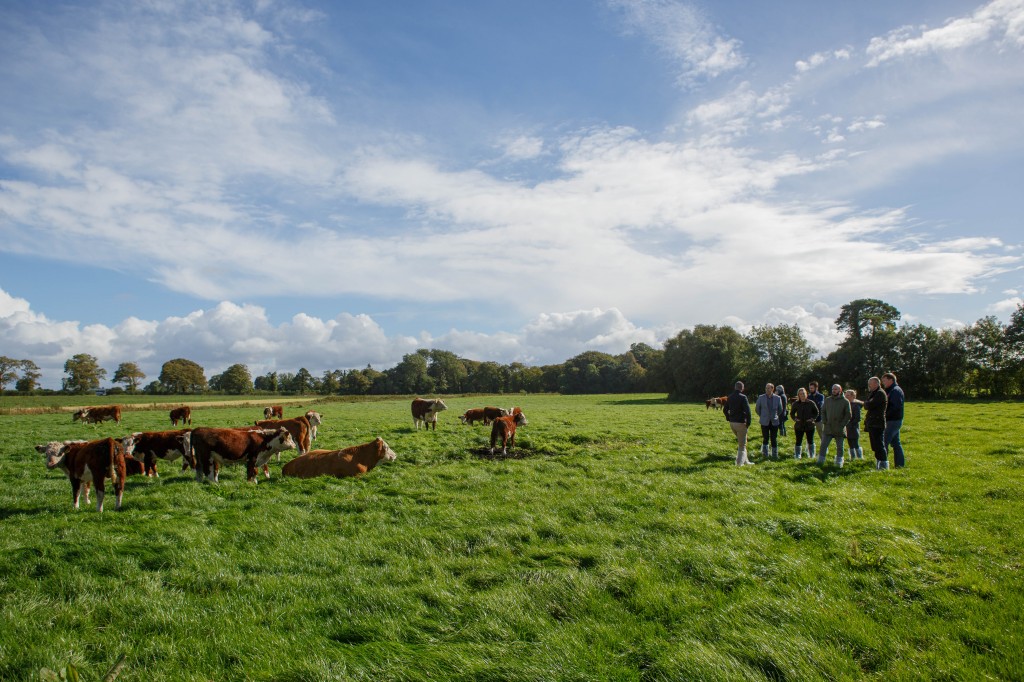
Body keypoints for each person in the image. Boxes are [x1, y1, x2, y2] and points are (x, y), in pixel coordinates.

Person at [819, 384, 852, 467]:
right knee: (823, 445)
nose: (834, 390)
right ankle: (820, 461)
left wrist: (842, 425)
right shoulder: (827, 400)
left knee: (840, 447)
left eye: (836, 389)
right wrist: (824, 421)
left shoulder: (845, 401)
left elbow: (848, 415)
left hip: (839, 428)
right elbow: (823, 411)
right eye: (833, 389)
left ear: (840, 390)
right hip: (828, 427)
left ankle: (839, 463)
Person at [723, 381, 752, 466]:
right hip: (740, 423)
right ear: (742, 388)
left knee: (743, 441)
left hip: (732, 423)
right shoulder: (743, 397)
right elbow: (748, 411)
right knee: (742, 445)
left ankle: (746, 461)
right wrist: (748, 422)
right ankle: (739, 463)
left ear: (735, 387)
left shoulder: (730, 397)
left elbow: (725, 410)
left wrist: (728, 418)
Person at [863, 376, 888, 469]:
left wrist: (867, 403)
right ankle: (879, 463)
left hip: (877, 423)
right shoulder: (873, 393)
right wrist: (867, 403)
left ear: (876, 383)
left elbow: (869, 405)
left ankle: (884, 465)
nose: (869, 385)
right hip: (872, 422)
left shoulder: (880, 393)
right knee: (875, 445)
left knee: (879, 444)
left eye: (870, 383)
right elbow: (867, 404)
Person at [882, 372, 906, 468]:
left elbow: (895, 406)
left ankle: (882, 464)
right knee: (896, 443)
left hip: (892, 420)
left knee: (884, 442)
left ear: (891, 380)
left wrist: (885, 415)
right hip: (894, 420)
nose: (883, 383)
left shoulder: (895, 391)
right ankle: (900, 465)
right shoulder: (891, 390)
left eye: (884, 381)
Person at [755, 383, 784, 459]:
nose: (767, 390)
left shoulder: (778, 398)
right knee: (765, 438)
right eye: (766, 388)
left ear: (772, 389)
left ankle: (774, 454)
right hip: (764, 421)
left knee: (774, 438)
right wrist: (762, 416)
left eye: (768, 388)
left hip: (774, 421)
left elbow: (780, 409)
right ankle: (765, 453)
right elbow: (757, 409)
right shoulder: (761, 397)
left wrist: (775, 416)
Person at [789, 387, 818, 460]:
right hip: (799, 425)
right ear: (798, 395)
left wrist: (812, 419)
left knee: (810, 440)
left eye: (803, 393)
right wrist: (795, 419)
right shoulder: (796, 403)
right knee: (798, 440)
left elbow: (816, 412)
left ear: (806, 394)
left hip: (809, 425)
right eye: (800, 394)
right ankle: (798, 455)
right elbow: (792, 413)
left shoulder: (811, 403)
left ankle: (811, 455)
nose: (802, 395)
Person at [844, 389, 864, 460]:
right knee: (850, 442)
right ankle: (852, 457)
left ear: (853, 396)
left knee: (855, 442)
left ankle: (859, 457)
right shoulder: (846, 405)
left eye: (848, 395)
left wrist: (851, 424)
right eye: (845, 395)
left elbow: (857, 418)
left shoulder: (856, 406)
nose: (846, 397)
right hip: (846, 427)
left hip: (853, 427)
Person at [807, 381, 825, 449]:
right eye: (810, 388)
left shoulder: (821, 396)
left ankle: (824, 448)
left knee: (821, 435)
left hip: (819, 419)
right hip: (810, 418)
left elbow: (820, 405)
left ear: (816, 388)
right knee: (809, 435)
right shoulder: (808, 396)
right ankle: (809, 449)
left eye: (812, 388)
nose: (810, 389)